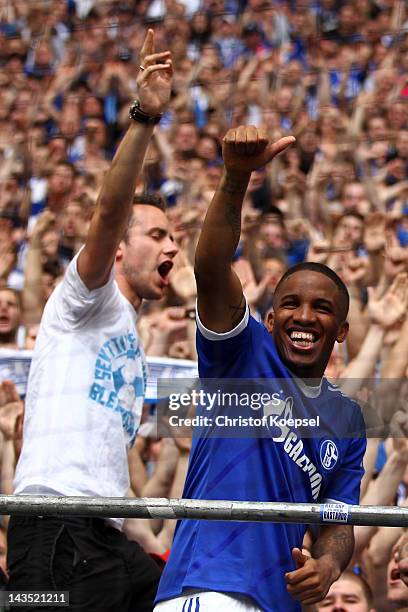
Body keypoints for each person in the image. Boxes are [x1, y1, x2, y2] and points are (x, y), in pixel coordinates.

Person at [155, 126, 367, 611]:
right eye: (290, 304)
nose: (305, 317)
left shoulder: (348, 420)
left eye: (322, 309)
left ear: (341, 330)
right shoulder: (243, 353)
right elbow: (209, 268)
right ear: (269, 320)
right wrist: (236, 178)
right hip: (207, 588)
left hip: (280, 603)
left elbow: (336, 522)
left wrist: (329, 566)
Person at [7, 30, 177, 612]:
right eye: (157, 235)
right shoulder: (84, 299)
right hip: (52, 529)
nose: (172, 250)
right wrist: (144, 119)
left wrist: (155, 546)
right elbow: (109, 210)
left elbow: (104, 472)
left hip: (104, 535)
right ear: (122, 248)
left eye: (175, 239)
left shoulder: (127, 331)